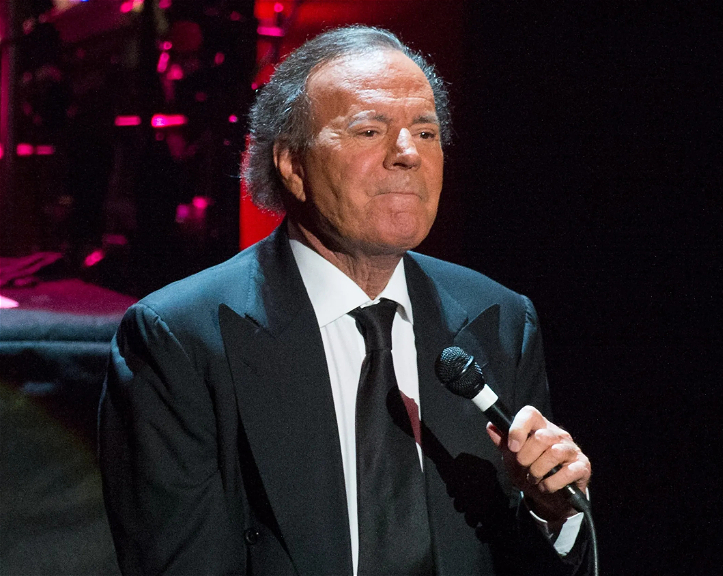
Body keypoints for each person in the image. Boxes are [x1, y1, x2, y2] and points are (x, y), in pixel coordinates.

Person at [99, 25, 592, 576]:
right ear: (292, 166)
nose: (407, 153)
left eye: (425, 132)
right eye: (369, 131)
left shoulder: (500, 321)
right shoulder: (179, 340)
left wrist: (554, 515)